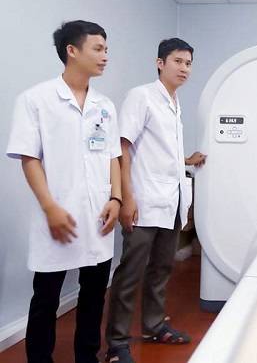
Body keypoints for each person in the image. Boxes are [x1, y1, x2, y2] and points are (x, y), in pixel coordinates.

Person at [6, 20, 121, 363]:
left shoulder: (105, 105)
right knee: (46, 299)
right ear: (72, 51)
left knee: (94, 295)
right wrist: (49, 207)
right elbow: (29, 158)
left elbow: (112, 156)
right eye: (98, 49)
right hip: (57, 214)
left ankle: (87, 357)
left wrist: (116, 197)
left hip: (99, 216)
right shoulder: (36, 100)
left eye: (106, 49)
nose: (105, 56)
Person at [105, 38, 206, 363]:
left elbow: (160, 150)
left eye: (188, 63)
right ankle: (117, 344)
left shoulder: (174, 103)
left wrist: (186, 160)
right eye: (178, 61)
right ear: (160, 63)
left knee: (161, 269)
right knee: (130, 273)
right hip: (144, 202)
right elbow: (122, 147)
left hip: (172, 202)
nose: (184, 68)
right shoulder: (142, 96)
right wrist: (126, 198)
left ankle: (153, 326)